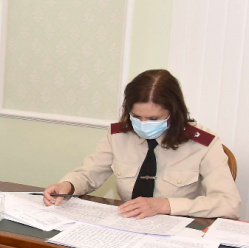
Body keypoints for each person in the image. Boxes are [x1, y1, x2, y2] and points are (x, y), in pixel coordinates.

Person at [43, 69, 240, 219]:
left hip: (178, 229)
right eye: (137, 117)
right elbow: (89, 174)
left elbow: (228, 204)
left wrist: (165, 205)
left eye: (153, 119)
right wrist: (67, 185)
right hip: (127, 224)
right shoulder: (119, 135)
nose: (143, 124)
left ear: (174, 113)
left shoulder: (203, 143)